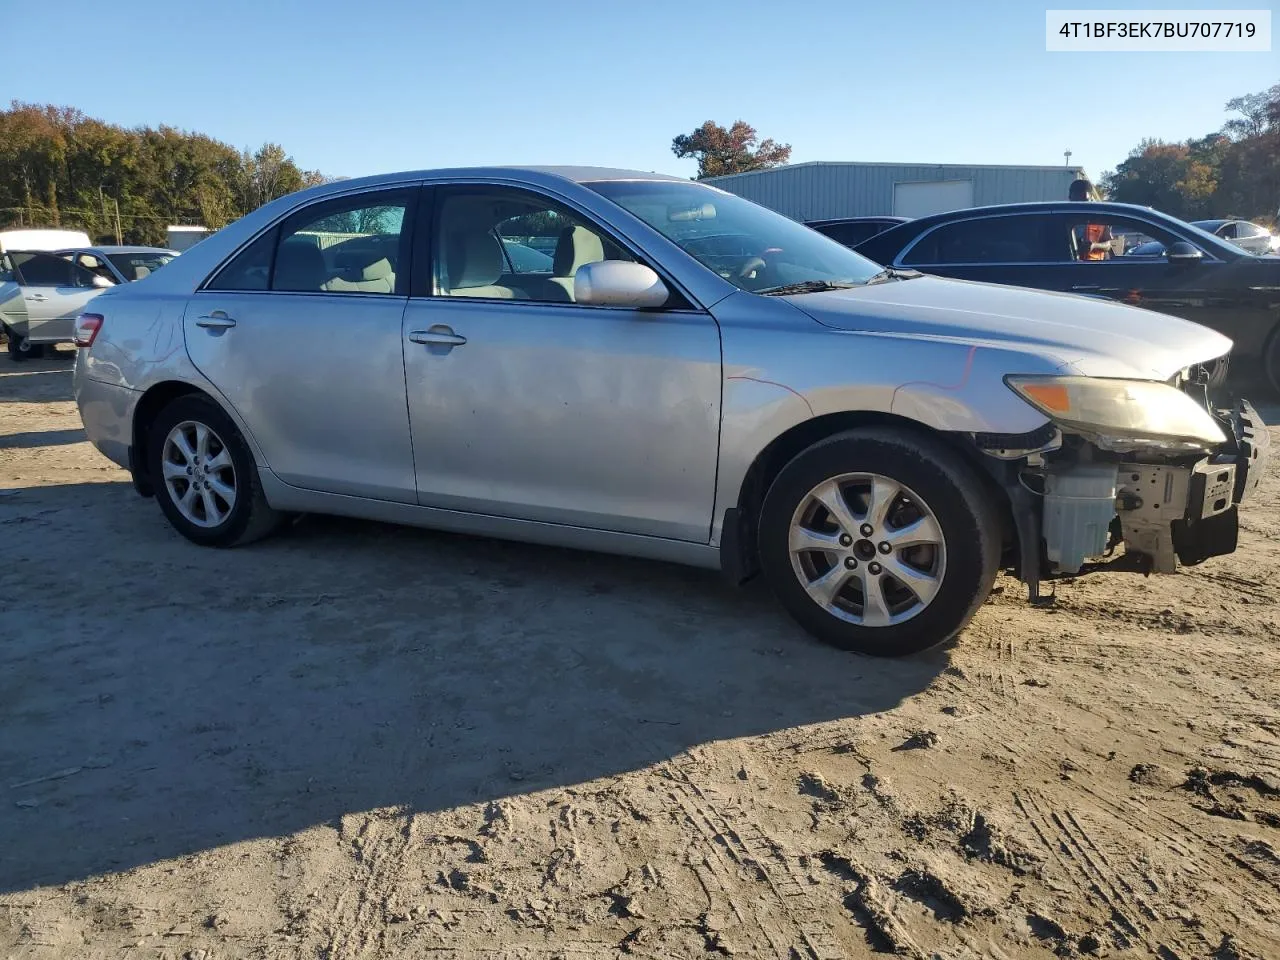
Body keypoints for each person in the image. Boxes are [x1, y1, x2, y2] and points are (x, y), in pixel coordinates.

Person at [1068, 178, 1112, 260]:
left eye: (1085, 200)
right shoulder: (1060, 219)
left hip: (1094, 268)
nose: (1081, 204)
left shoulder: (1099, 219)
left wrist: (1094, 245)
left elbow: (1108, 245)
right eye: (1077, 201)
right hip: (1064, 268)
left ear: (1091, 199)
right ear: (1070, 198)